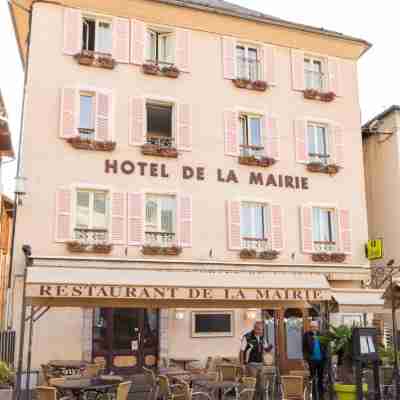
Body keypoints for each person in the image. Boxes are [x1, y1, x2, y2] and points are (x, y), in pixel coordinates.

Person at [302, 321, 327, 400]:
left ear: (317, 327)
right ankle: (314, 396)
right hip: (312, 361)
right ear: (310, 327)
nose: (314, 328)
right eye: (312, 326)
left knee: (320, 378)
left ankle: (321, 396)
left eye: (315, 326)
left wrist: (325, 356)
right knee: (312, 379)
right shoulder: (306, 335)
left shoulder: (321, 335)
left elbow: (325, 346)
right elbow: (304, 348)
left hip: (321, 360)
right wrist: (306, 359)